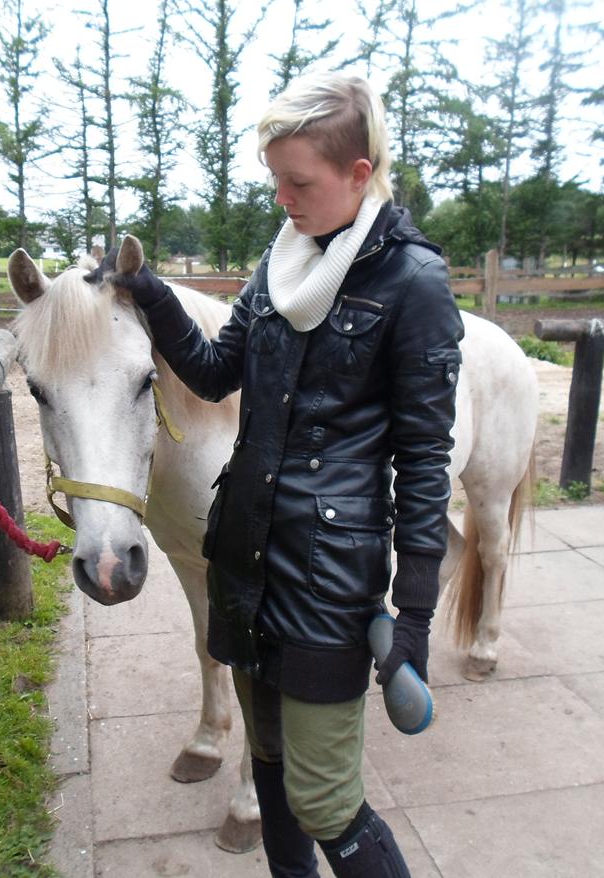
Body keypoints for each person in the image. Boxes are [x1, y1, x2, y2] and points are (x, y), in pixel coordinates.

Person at [109, 72, 462, 877]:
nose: (282, 199)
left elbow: (425, 463)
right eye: (275, 179)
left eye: (298, 182)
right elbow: (214, 372)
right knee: (268, 767)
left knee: (326, 800)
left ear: (359, 174)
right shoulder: (282, 263)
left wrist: (413, 615)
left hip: (328, 581)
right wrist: (152, 295)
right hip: (244, 558)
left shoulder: (414, 283)